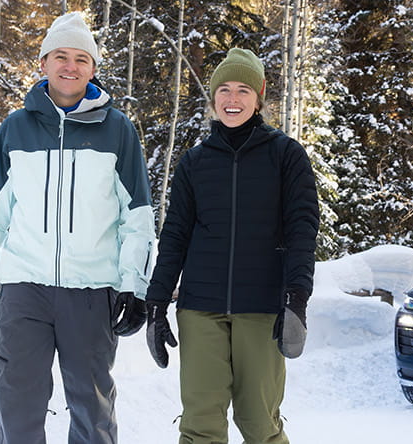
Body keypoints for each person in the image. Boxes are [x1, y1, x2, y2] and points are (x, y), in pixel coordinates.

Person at [0, 11, 153, 444]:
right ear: (44, 63)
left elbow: (137, 220)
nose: (70, 66)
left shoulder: (117, 130)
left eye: (81, 58)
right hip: (24, 289)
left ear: (94, 69)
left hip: (91, 291)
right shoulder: (16, 128)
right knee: (16, 400)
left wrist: (134, 286)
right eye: (61, 56)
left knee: (92, 408)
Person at [145, 48, 320, 444]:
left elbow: (301, 230)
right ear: (213, 98)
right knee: (200, 424)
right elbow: (175, 235)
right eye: (223, 89)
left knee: (260, 422)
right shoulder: (194, 162)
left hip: (261, 308)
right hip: (200, 309)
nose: (232, 99)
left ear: (259, 97)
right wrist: (156, 302)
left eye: (243, 90)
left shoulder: (287, 156)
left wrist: (297, 298)